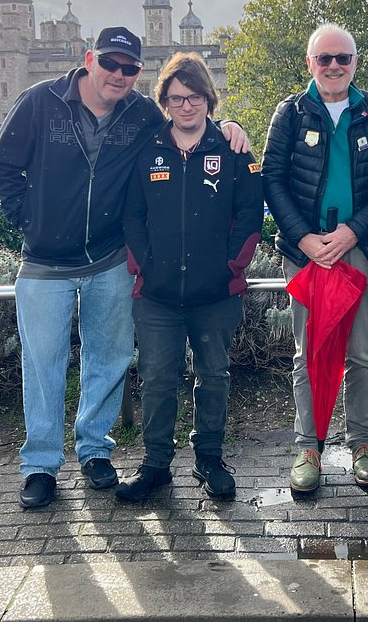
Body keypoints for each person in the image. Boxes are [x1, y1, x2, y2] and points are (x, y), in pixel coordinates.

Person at [0, 27, 249, 510]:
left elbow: (189, 117)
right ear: (90, 59)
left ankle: (93, 451)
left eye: (130, 68)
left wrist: (230, 125)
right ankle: (41, 464)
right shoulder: (39, 102)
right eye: (110, 63)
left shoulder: (140, 112)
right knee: (43, 365)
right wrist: (30, 219)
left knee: (107, 360)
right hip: (45, 260)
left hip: (108, 258)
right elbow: (2, 166)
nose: (119, 75)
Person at [262, 23, 368, 493]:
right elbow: (273, 182)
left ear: (355, 63)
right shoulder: (290, 113)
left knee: (359, 353)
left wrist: (351, 232)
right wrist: (303, 238)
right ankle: (309, 447)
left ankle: (363, 443)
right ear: (310, 64)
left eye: (343, 58)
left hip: (356, 250)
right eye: (324, 59)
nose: (334, 66)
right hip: (304, 254)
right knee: (309, 353)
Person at [116, 53, 264, 502]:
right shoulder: (146, 151)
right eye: (177, 98)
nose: (186, 106)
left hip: (216, 294)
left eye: (194, 97)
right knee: (158, 378)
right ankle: (156, 465)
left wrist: (230, 268)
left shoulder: (234, 150)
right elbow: (131, 217)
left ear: (208, 99)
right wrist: (145, 266)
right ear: (164, 101)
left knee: (213, 376)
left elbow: (250, 216)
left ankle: (210, 459)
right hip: (157, 296)